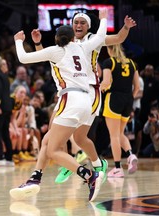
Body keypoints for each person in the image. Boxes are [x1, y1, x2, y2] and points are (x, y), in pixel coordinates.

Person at [10, 9, 108, 202]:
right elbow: (101, 35)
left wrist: (18, 40)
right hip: (86, 101)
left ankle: (89, 175)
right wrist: (103, 19)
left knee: (53, 148)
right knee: (55, 141)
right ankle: (35, 177)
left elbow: (23, 58)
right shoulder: (83, 48)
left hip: (69, 99)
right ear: (72, 37)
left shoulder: (56, 50)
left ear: (56, 38)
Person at [34, 11, 138, 183]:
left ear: (88, 26)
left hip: (89, 91)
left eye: (82, 23)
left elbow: (119, 38)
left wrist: (126, 27)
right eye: (76, 23)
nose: (79, 26)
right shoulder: (66, 42)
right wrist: (38, 43)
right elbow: (46, 58)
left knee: (76, 137)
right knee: (65, 134)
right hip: (70, 92)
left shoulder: (94, 39)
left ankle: (91, 165)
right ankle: (74, 164)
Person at [100, 44, 140, 178]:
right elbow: (137, 87)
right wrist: (129, 98)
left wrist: (98, 89)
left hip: (114, 99)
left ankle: (118, 168)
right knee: (119, 133)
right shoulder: (132, 63)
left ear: (109, 49)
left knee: (114, 136)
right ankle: (130, 155)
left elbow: (105, 82)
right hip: (128, 100)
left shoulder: (109, 62)